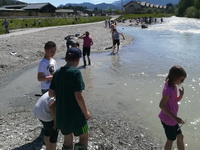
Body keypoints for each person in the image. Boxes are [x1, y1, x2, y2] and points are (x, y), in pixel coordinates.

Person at [49, 47, 91, 150]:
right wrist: (86, 113)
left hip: (62, 115)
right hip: (76, 115)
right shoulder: (75, 73)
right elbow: (79, 96)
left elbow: (51, 94)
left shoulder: (57, 73)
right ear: (77, 60)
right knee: (84, 136)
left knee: (67, 139)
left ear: (65, 59)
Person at [158, 65, 187, 150]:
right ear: (175, 77)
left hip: (172, 119)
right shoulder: (168, 90)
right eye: (182, 79)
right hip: (168, 120)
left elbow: (174, 101)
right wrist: (175, 118)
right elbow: (161, 105)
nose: (182, 81)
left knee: (180, 136)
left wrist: (181, 96)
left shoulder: (173, 86)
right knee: (170, 140)